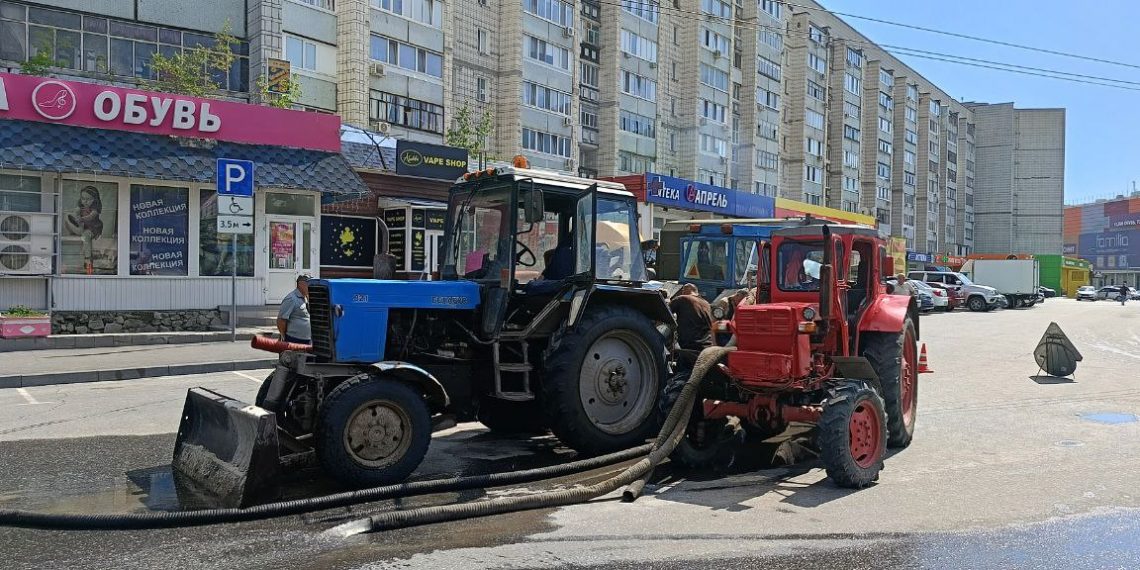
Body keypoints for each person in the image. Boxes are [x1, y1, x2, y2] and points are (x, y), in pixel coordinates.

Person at [65, 185, 104, 275]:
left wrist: (82, 219)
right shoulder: (81, 205)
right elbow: (76, 211)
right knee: (68, 219)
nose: (85, 201)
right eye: (83, 198)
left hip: (93, 227)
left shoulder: (95, 208)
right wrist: (75, 215)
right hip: (83, 226)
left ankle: (88, 259)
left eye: (89, 199)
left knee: (86, 235)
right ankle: (75, 230)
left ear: (95, 199)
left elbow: (91, 216)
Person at [670, 283, 714, 352]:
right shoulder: (707, 304)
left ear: (686, 289)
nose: (682, 292)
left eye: (683, 290)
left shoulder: (682, 298)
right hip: (707, 345)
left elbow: (665, 311)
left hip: (690, 345)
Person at [277, 274, 312, 345]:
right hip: (294, 339)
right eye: (309, 284)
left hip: (307, 339)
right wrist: (284, 337)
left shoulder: (306, 297)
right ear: (300, 284)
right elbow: (281, 320)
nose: (310, 286)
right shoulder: (291, 299)